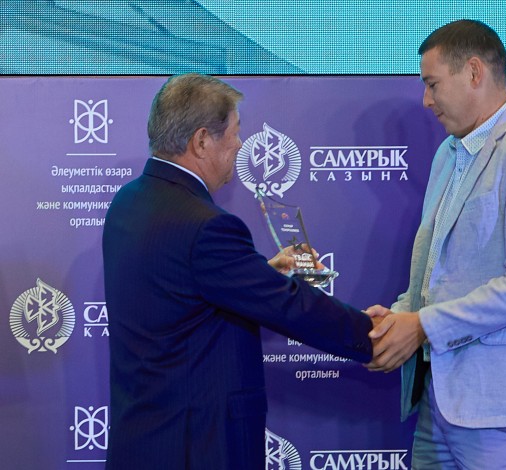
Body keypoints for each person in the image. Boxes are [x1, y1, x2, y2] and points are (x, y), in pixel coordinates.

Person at [102, 73, 375, 469]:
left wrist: (262, 271)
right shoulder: (206, 226)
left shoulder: (128, 202)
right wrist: (373, 335)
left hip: (144, 441)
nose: (240, 144)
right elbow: (288, 306)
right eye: (234, 132)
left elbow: (183, 293)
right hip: (196, 448)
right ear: (201, 141)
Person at [365, 20, 506, 469]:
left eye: (432, 84)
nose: (426, 100)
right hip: (439, 399)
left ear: (475, 72)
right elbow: (438, 275)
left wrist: (422, 326)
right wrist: (399, 320)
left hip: (500, 407)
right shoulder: (448, 154)